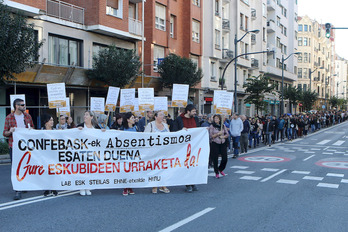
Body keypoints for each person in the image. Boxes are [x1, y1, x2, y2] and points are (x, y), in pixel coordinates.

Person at [3, 99, 34, 200]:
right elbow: (5, 133)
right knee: (16, 167)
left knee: (25, 165)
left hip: (25, 146)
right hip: (14, 146)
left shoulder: (27, 116)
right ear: (16, 106)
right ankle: (17, 189)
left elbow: (33, 128)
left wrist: (31, 130)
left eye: (24, 104)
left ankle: (23, 185)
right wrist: (10, 131)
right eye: (22, 105)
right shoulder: (9, 117)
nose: (24, 106)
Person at [172, 104, 200, 193]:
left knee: (193, 164)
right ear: (188, 111)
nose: (195, 113)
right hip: (184, 147)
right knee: (186, 164)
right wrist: (181, 130)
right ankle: (187, 183)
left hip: (194, 145)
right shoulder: (179, 119)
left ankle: (193, 182)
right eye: (193, 111)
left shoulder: (196, 119)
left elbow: (198, 129)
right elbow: (174, 131)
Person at [144, 111, 170, 194]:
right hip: (154, 151)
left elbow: (170, 136)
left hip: (164, 151)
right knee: (155, 168)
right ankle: (154, 185)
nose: (163, 116)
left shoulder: (165, 125)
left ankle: (163, 185)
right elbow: (145, 137)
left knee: (164, 168)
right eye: (161, 115)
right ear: (155, 117)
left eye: (163, 115)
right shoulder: (150, 125)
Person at [77, 111, 100, 196]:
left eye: (86, 115)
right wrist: (76, 131)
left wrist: (104, 131)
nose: (84, 116)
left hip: (91, 153)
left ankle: (88, 187)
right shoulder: (80, 126)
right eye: (84, 114)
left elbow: (101, 136)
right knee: (82, 169)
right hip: (82, 152)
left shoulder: (95, 127)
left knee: (90, 170)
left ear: (91, 117)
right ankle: (82, 187)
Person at [41, 114, 58, 197]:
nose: (52, 122)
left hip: (53, 154)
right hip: (44, 154)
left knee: (53, 171)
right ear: (46, 122)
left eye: (52, 120)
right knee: (46, 171)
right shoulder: (41, 131)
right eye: (50, 120)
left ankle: (54, 187)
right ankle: (47, 188)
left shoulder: (55, 130)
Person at [120, 112, 137, 196]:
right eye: (132, 118)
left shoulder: (135, 128)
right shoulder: (123, 129)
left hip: (133, 153)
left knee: (131, 170)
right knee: (126, 170)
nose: (134, 119)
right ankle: (125, 187)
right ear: (128, 120)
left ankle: (130, 186)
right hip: (125, 153)